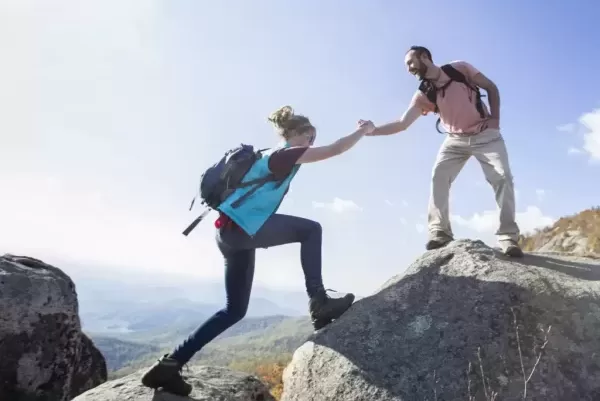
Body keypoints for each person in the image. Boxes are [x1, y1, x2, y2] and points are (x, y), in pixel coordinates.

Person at [140, 106, 375, 396]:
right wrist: (363, 130)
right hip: (240, 229)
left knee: (234, 311)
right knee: (311, 230)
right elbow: (337, 149)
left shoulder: (268, 156)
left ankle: (169, 365)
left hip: (229, 232)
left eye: (314, 138)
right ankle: (319, 301)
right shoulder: (283, 154)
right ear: (290, 134)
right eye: (307, 136)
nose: (311, 142)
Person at [367, 45, 523, 257]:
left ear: (424, 57)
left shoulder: (460, 69)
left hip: (485, 135)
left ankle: (508, 237)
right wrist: (374, 130)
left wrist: (495, 119)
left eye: (411, 62)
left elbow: (491, 87)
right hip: (455, 140)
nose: (409, 69)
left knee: (502, 177)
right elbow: (402, 124)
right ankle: (440, 232)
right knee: (438, 176)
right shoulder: (424, 93)